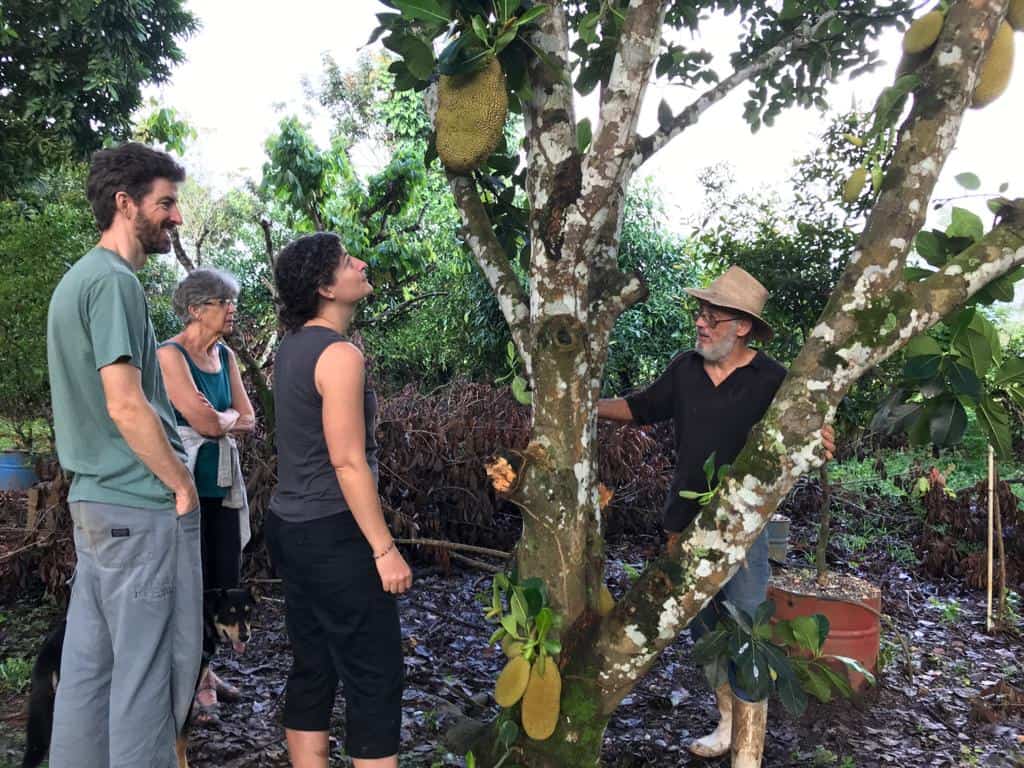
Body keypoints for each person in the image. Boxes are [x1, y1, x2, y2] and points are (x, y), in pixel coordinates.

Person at [597, 265, 834, 767]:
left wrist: (820, 438)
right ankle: (727, 724)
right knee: (705, 632)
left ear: (743, 326)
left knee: (746, 631)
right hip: (683, 527)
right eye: (701, 314)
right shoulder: (686, 369)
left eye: (713, 317)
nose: (701, 324)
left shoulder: (773, 380)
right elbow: (640, 407)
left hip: (746, 530)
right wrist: (583, 405)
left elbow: (808, 432)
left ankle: (749, 753)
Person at [46, 142, 202, 768]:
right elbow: (125, 404)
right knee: (147, 676)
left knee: (90, 672)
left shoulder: (78, 279)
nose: (176, 217)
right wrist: (180, 485)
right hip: (136, 505)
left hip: (94, 504)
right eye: (165, 203)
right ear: (125, 203)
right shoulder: (114, 283)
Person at [267, 232, 412, 768]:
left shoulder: (292, 347)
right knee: (375, 672)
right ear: (326, 286)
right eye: (349, 261)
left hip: (291, 527)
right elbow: (347, 461)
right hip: (334, 532)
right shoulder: (339, 354)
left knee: (315, 663)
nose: (362, 263)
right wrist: (383, 548)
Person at [157, 268, 255, 722]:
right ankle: (189, 681)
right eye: (222, 301)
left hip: (220, 486)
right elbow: (206, 425)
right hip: (181, 489)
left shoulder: (226, 356)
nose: (232, 308)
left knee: (221, 581)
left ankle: (206, 671)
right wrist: (222, 418)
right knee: (186, 583)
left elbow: (248, 419)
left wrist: (222, 416)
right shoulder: (170, 355)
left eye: (231, 300)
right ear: (196, 309)